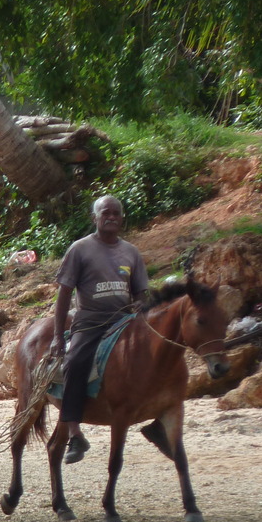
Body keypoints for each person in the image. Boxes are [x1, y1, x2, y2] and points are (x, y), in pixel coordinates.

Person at [50, 195, 149, 464]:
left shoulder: (131, 252)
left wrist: (139, 307)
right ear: (95, 218)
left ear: (122, 218)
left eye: (116, 213)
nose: (112, 217)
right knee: (75, 362)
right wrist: (58, 337)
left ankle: (158, 416)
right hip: (90, 321)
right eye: (106, 213)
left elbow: (141, 293)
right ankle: (74, 434)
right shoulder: (80, 249)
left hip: (124, 321)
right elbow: (64, 294)